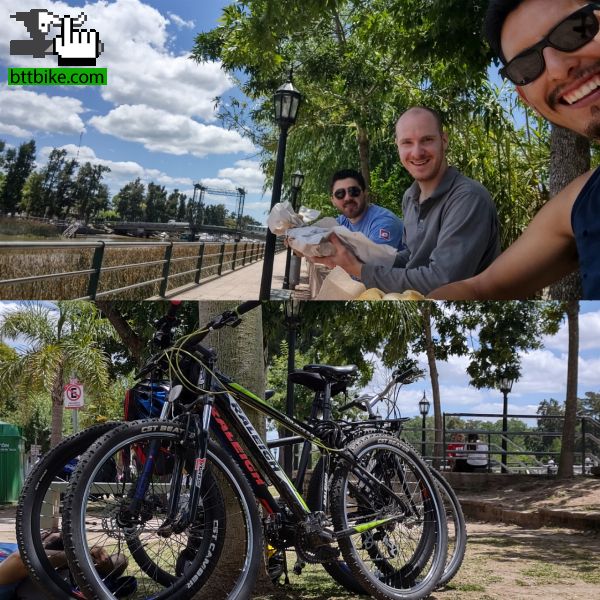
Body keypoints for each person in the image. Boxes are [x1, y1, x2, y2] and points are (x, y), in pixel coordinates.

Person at [430, 0, 600, 300]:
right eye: (527, 65)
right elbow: (479, 287)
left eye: (576, 29)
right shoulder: (579, 203)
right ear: (526, 99)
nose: (558, 69)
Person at [315, 108, 501, 295]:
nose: (417, 152)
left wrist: (359, 269)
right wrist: (357, 256)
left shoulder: (468, 198)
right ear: (398, 146)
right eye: (407, 143)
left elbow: (443, 281)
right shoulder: (410, 197)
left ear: (444, 141)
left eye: (427, 140)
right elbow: (411, 256)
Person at [0, 533, 135, 599]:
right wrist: (79, 555)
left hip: (55, 563)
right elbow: (22, 561)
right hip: (51, 581)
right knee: (119, 562)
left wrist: (51, 540)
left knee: (119, 560)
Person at [330, 168, 404, 250]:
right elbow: (315, 234)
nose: (347, 198)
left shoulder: (384, 223)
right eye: (340, 194)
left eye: (354, 191)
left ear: (365, 193)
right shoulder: (342, 221)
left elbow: (373, 260)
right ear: (333, 201)